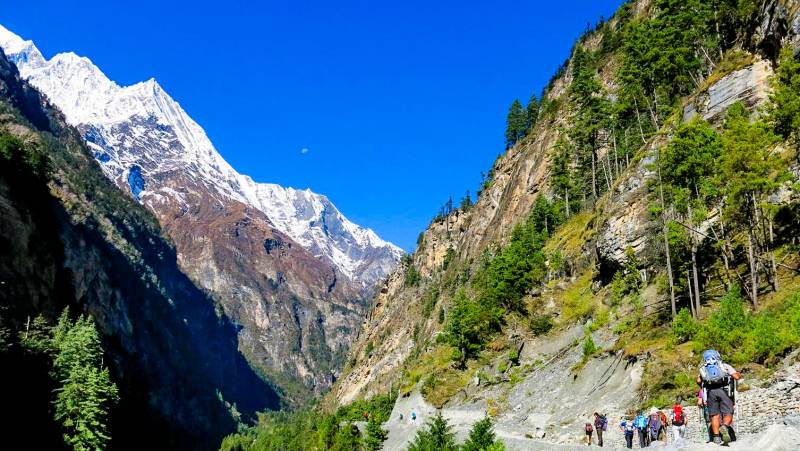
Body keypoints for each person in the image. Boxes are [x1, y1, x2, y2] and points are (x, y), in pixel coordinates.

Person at [697, 349, 741, 446]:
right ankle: (725, 426)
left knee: (714, 415)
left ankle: (716, 437)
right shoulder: (724, 366)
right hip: (724, 392)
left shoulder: (703, 368)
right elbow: (736, 377)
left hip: (710, 393)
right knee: (728, 412)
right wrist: (738, 374)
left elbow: (699, 381)